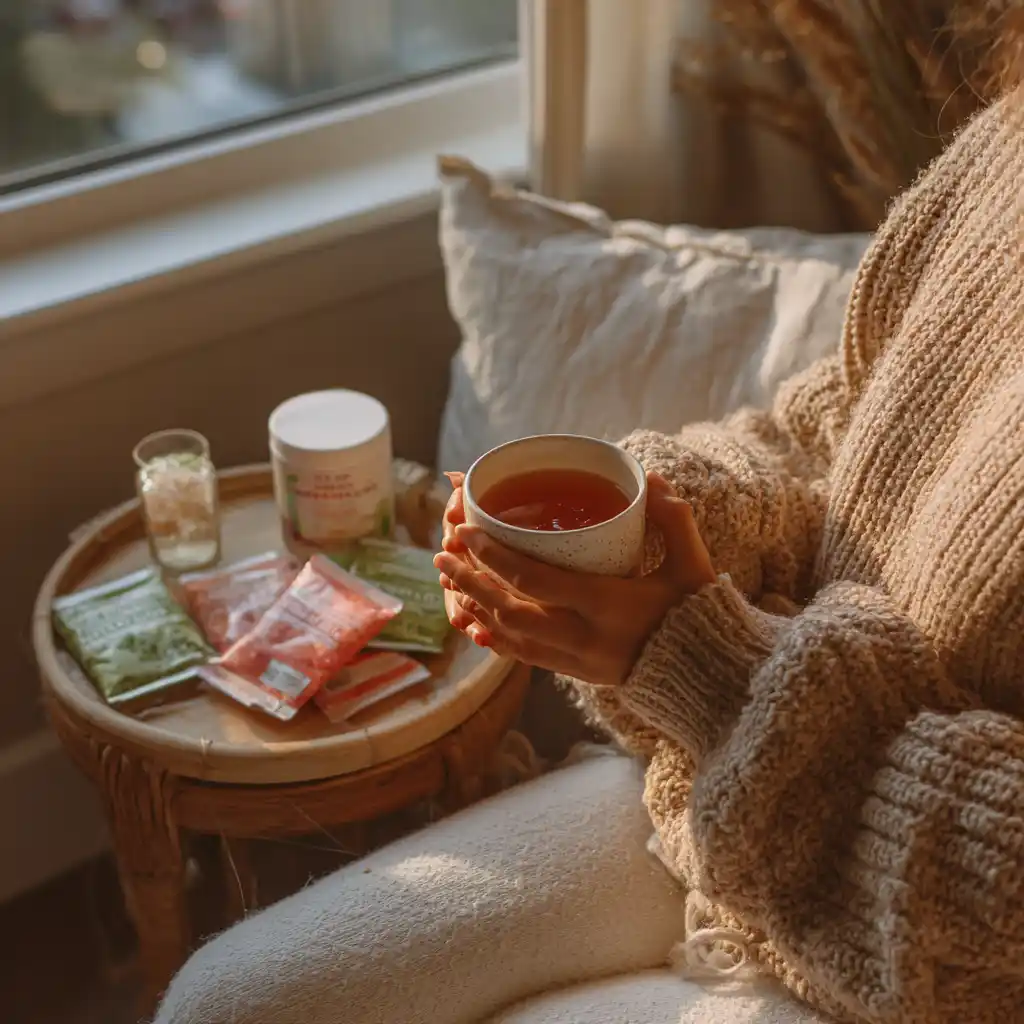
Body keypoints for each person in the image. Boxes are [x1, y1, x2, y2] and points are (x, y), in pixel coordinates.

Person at [154, 81, 1023, 1024]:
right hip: (724, 782)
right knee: (222, 1005)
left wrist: (705, 666)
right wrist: (665, 518)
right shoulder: (1001, 149)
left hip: (923, 954)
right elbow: (828, 430)